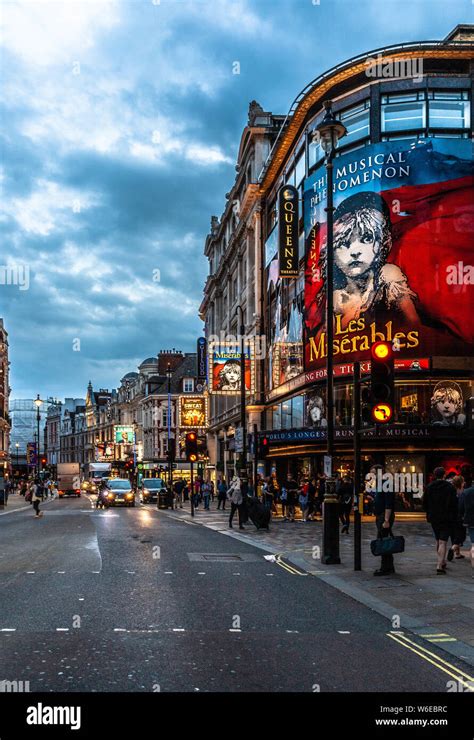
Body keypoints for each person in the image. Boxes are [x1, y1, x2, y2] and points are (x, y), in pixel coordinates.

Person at [423, 467, 459, 575]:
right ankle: (439, 564)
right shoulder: (450, 487)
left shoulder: (429, 487)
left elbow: (425, 503)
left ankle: (441, 561)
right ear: (444, 475)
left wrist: (429, 513)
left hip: (434, 517)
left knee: (438, 539)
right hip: (446, 517)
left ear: (434, 475)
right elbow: (454, 504)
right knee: (443, 541)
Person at [371, 465, 396, 576]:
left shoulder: (386, 483)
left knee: (383, 541)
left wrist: (386, 519)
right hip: (380, 515)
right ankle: (388, 566)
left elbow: (388, 503)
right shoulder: (380, 484)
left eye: (374, 473)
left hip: (384, 516)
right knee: (384, 539)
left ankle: (385, 567)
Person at [448, 475, 466, 561]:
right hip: (459, 516)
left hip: (451, 517)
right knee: (461, 535)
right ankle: (453, 549)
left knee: (454, 535)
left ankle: (457, 554)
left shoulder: (451, 491)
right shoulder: (462, 492)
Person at [459, 480, 474, 577]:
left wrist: (462, 516)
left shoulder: (466, 492)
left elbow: (460, 508)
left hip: (471, 521)